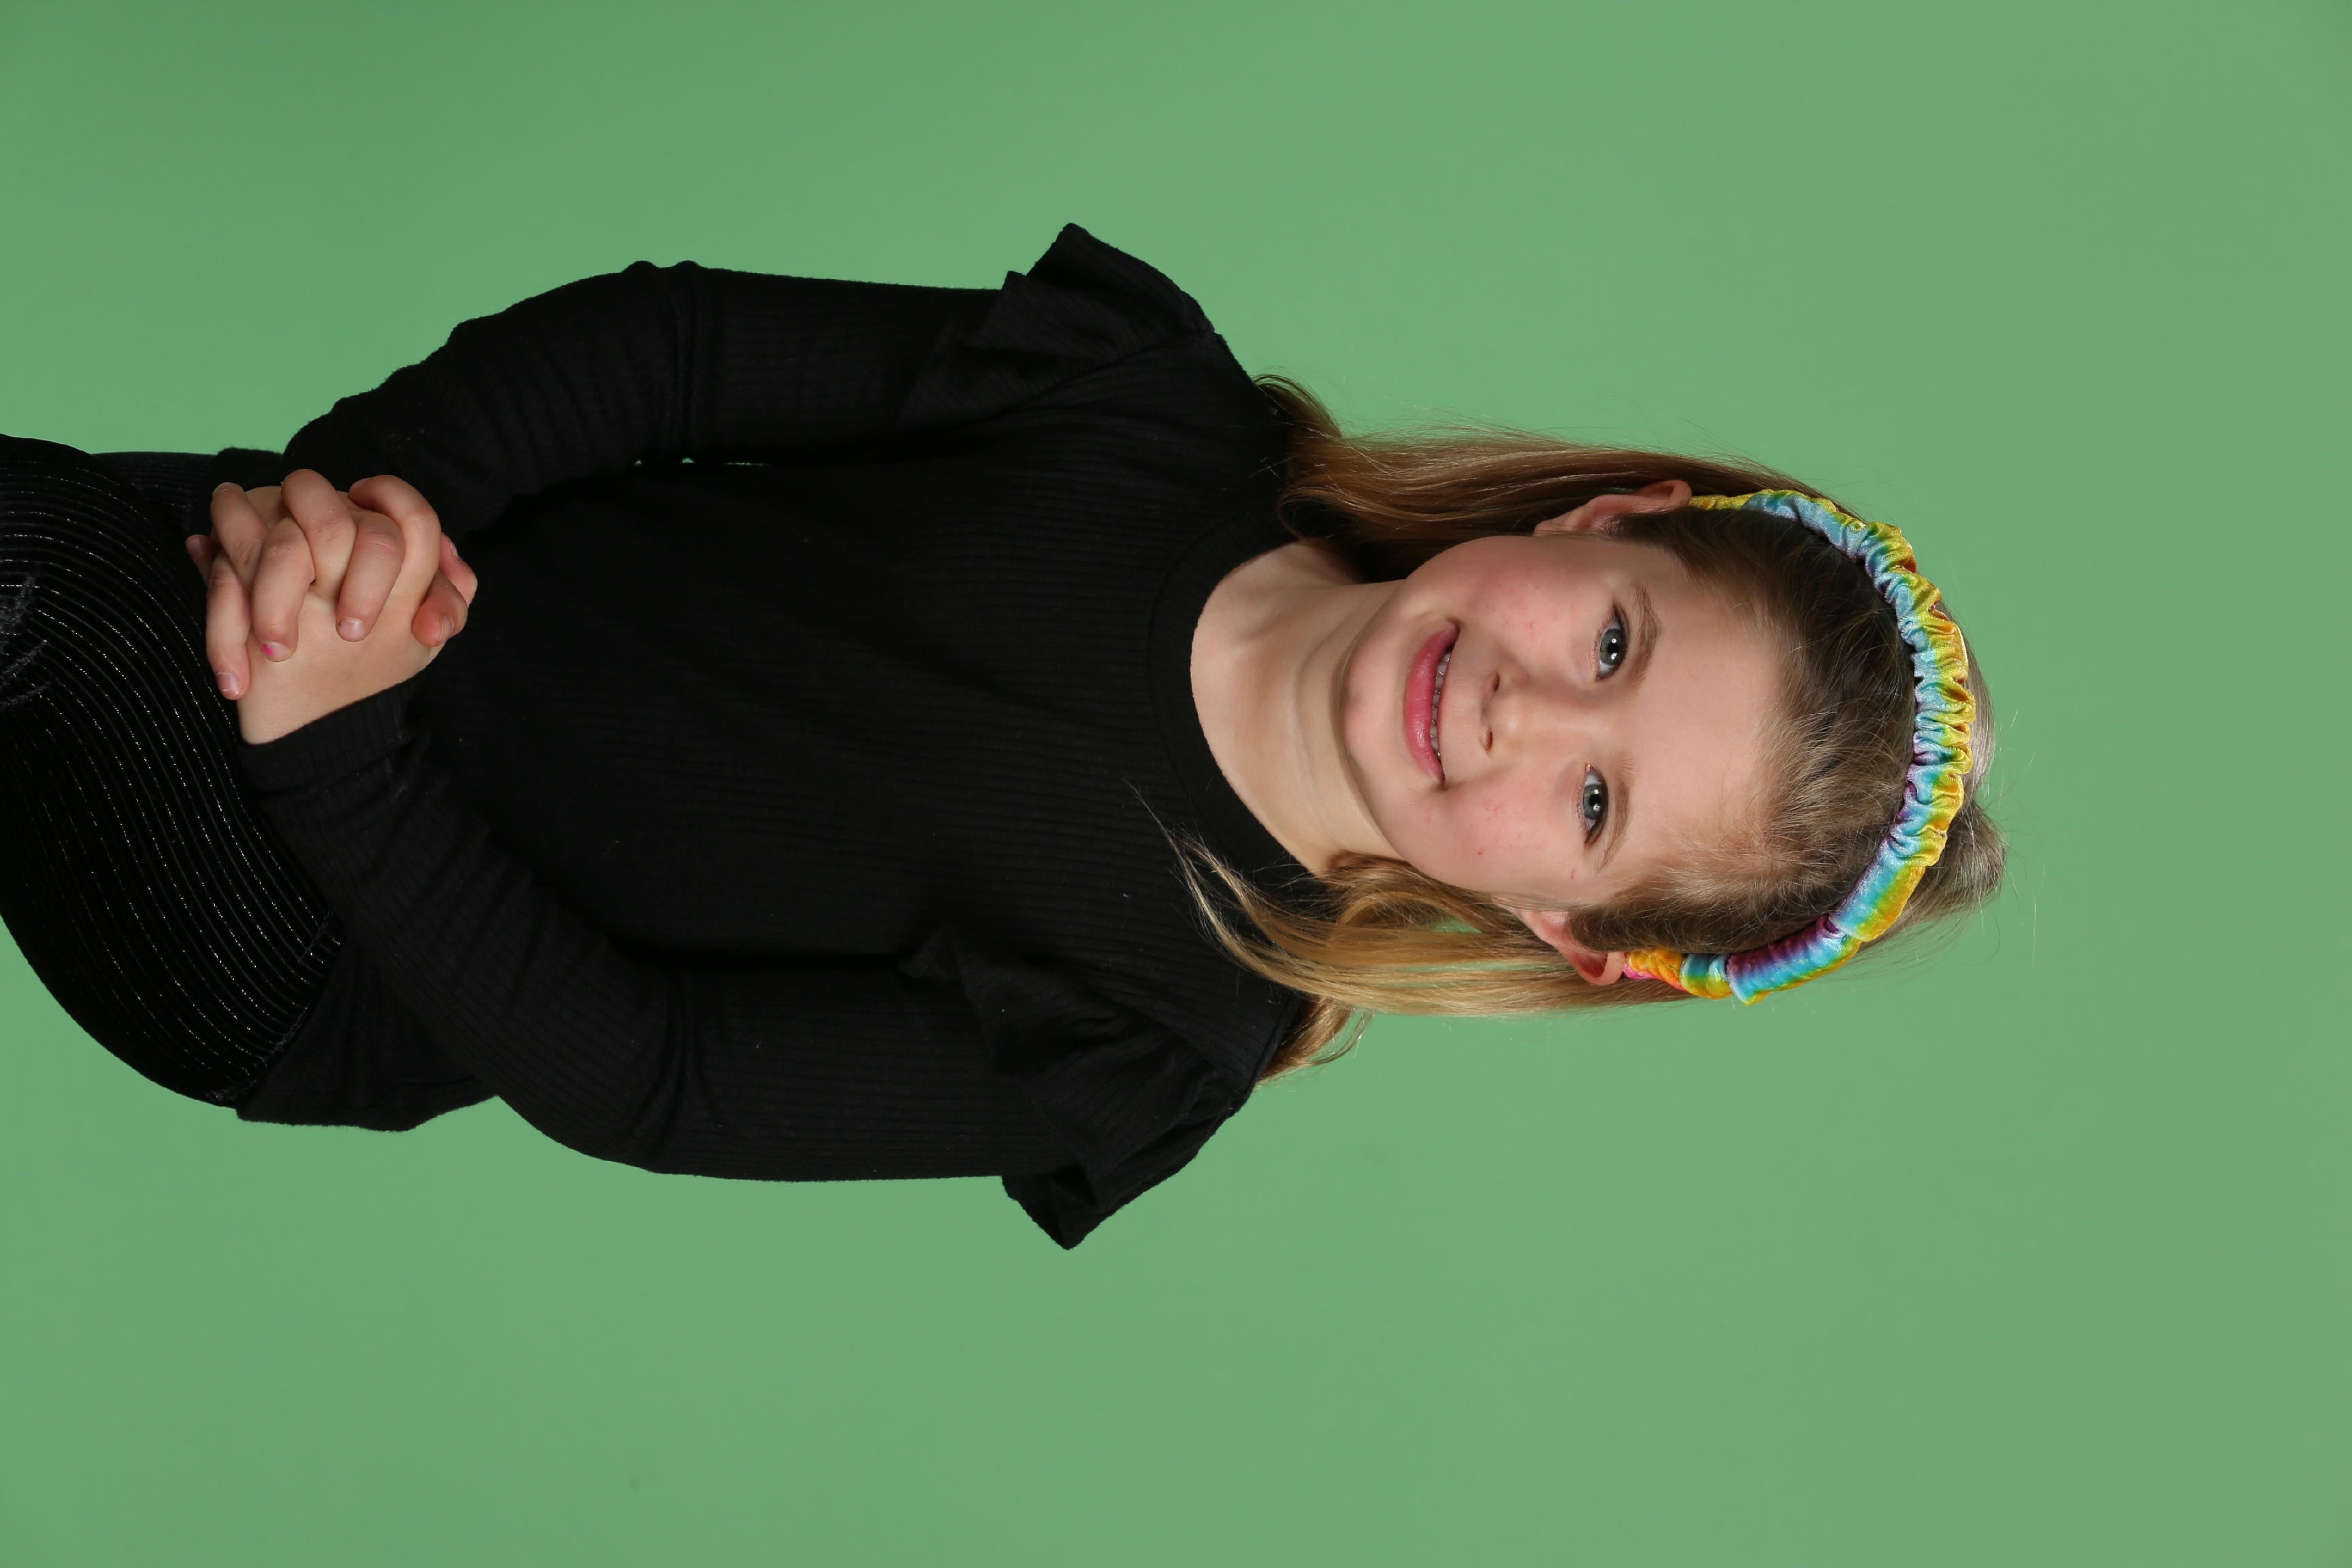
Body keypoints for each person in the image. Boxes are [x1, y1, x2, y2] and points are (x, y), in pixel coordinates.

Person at [0, 227, 2004, 1247]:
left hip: (312, 935)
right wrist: (367, 512)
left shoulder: (1155, 1034)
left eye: (1595, 799)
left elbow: (653, 1075)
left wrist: (337, 746)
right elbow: (670, 348)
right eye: (1614, 641)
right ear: (1599, 522)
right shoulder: (1140, 401)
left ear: (1567, 932)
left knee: (33, 592)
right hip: (262, 581)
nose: (1520, 712)